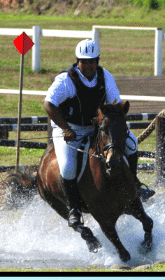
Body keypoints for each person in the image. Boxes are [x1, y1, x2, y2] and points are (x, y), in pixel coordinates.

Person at [43, 38, 154, 229]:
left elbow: (115, 102)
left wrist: (112, 120)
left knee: (131, 144)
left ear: (98, 60)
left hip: (96, 127)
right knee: (68, 166)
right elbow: (49, 105)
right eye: (84, 61)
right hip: (69, 129)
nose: (88, 65)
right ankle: (74, 210)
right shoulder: (66, 80)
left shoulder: (105, 77)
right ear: (78, 61)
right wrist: (65, 128)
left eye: (92, 61)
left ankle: (134, 184)